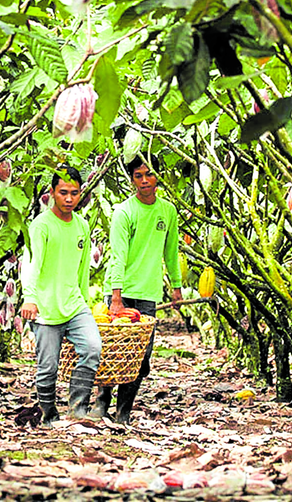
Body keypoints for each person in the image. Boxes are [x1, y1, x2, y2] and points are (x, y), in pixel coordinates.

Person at [92, 155, 182, 424]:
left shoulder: (168, 211)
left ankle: (124, 412)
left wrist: (176, 287)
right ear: (132, 180)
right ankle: (100, 406)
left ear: (158, 176)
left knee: (141, 357)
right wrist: (116, 298)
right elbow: (117, 256)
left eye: (149, 174)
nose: (144, 181)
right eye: (138, 176)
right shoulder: (124, 212)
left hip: (148, 295)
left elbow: (171, 251)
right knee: (113, 352)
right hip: (122, 292)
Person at [19, 166, 101, 426]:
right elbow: (31, 263)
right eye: (63, 192)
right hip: (45, 308)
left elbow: (82, 268)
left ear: (80, 194)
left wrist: (85, 301)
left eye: (74, 193)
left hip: (74, 304)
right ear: (52, 193)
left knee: (92, 348)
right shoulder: (41, 225)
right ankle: (48, 416)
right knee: (48, 368)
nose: (68, 199)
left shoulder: (82, 226)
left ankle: (78, 409)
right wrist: (29, 297)